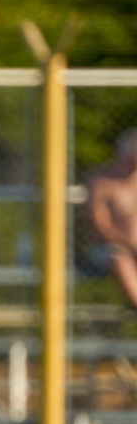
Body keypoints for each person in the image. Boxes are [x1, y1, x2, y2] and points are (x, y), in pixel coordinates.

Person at [81, 130, 137, 309]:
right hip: (109, 247)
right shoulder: (102, 182)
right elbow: (100, 224)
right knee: (120, 260)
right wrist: (128, 244)